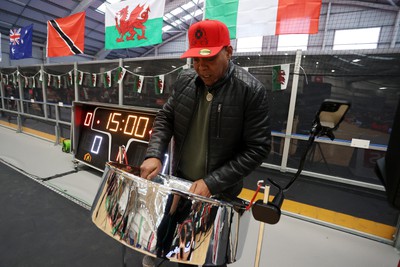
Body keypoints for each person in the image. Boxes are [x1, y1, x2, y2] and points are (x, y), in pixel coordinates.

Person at [140, 19, 271, 267]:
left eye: (209, 59)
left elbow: (258, 148)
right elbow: (166, 116)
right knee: (183, 253)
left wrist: (212, 182)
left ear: (228, 52)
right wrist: (154, 152)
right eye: (196, 60)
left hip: (218, 193)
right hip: (182, 184)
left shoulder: (250, 91)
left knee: (209, 257)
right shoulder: (185, 81)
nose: (201, 67)